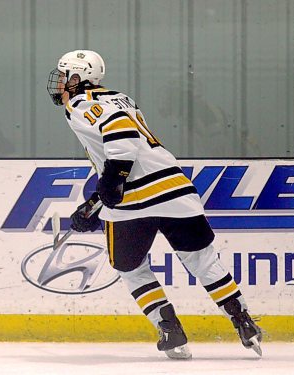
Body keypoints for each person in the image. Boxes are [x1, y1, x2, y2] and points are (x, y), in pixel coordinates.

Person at [47, 50, 262, 359]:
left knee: (130, 268)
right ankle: (242, 319)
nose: (60, 83)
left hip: (134, 201)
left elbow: (122, 141)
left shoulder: (80, 105)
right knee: (202, 260)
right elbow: (132, 153)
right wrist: (96, 202)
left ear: (79, 78)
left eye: (65, 75)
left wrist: (111, 185)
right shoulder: (120, 97)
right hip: (175, 188)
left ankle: (169, 328)